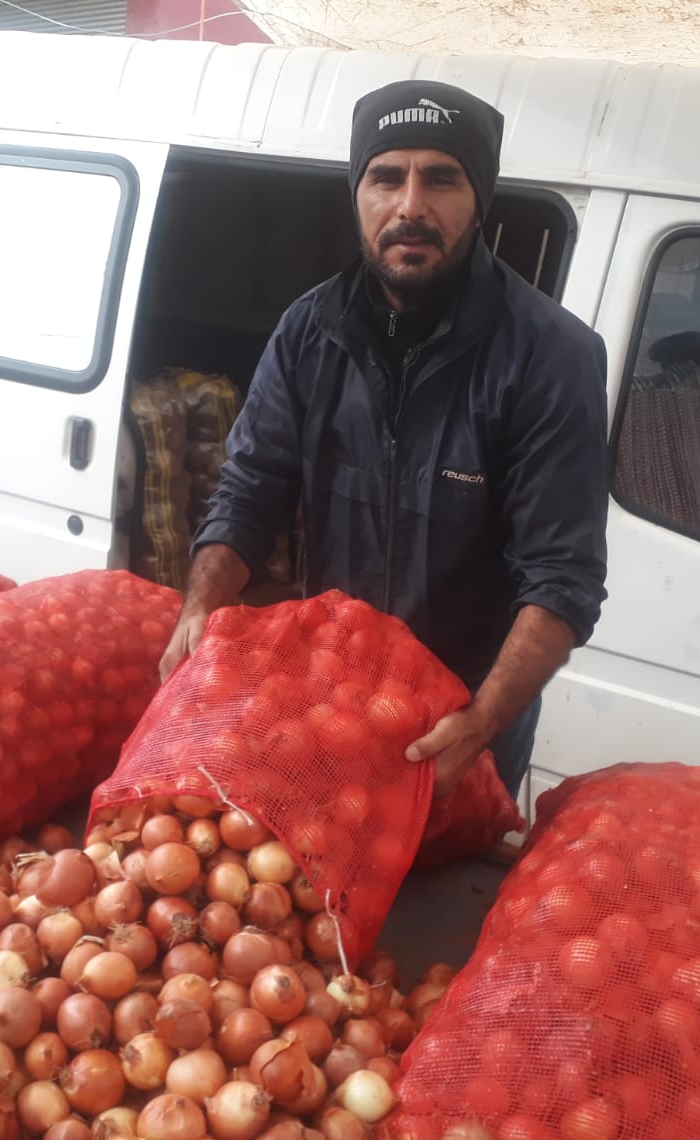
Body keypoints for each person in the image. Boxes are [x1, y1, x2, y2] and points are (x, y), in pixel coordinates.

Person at [158, 79, 610, 800]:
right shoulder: (308, 332)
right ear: (357, 193)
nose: (410, 206)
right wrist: (200, 607)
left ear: (478, 199)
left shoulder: (552, 356)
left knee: (436, 903)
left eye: (441, 179)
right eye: (385, 177)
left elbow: (563, 580)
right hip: (328, 699)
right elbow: (249, 492)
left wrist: (483, 720)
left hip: (463, 715)